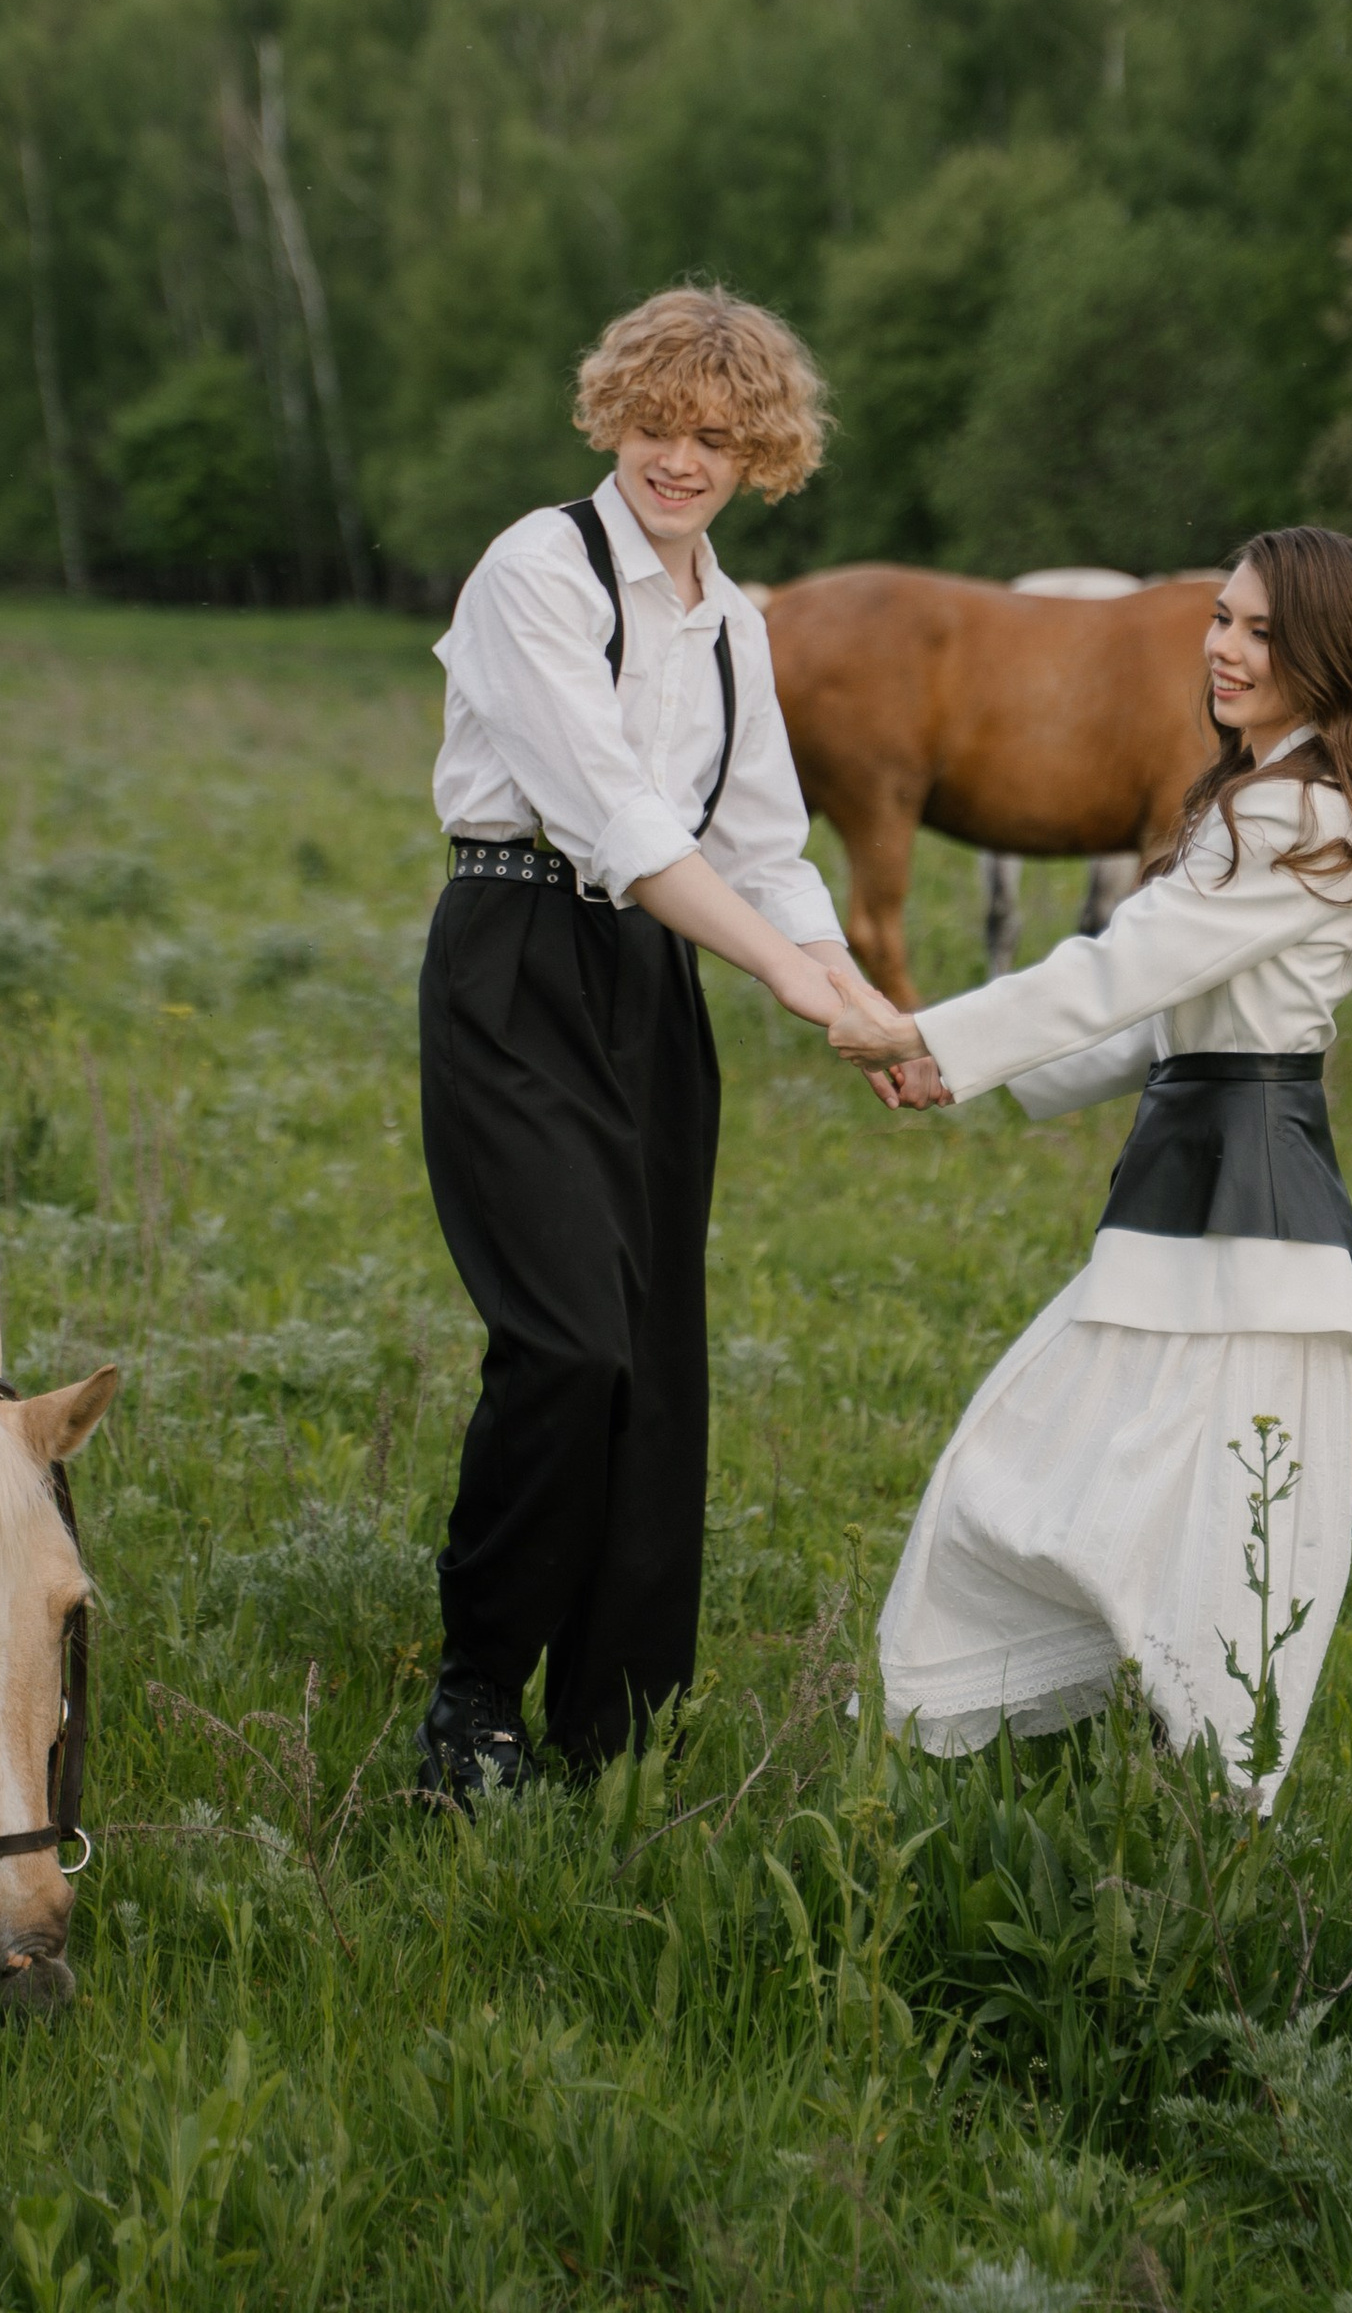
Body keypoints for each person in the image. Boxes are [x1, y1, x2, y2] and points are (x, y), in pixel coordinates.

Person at [829, 527, 1352, 1804]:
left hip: (1252, 1219)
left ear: (1329, 652)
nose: (1223, 647)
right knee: (1051, 1478)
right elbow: (1165, 1016)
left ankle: (1212, 1821)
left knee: (1223, 1537)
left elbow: (1123, 964)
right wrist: (972, 1073)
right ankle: (1144, 1771)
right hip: (1192, 1194)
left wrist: (928, 1028)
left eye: (1262, 630)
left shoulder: (1296, 814)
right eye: (1221, 618)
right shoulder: (1266, 798)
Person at [417, 286, 914, 1804]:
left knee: (654, 1363)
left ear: (761, 455)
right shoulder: (536, 570)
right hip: (516, 956)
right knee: (566, 1343)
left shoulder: (735, 626)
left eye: (716, 437)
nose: (679, 460)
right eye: (656, 424)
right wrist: (779, 968)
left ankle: (614, 1729)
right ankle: (477, 1705)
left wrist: (856, 1001)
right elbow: (616, 821)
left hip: (655, 979)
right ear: (609, 414)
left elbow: (766, 844)